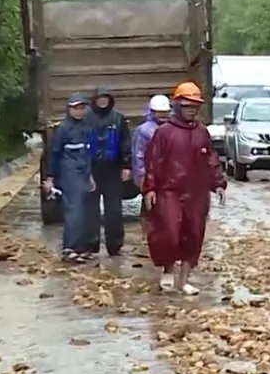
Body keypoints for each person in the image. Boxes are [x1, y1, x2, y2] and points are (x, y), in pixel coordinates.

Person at [142, 82, 226, 294]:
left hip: (196, 192)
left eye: (194, 106)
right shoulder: (164, 132)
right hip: (169, 190)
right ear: (177, 105)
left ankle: (185, 279)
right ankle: (168, 269)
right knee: (170, 232)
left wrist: (218, 183)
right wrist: (150, 188)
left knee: (194, 234)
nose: (191, 110)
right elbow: (153, 162)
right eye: (187, 105)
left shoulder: (202, 132)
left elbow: (211, 159)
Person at [42, 93, 97, 263]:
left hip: (83, 173)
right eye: (75, 108)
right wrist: (50, 177)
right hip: (69, 173)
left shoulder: (87, 127)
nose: (79, 111)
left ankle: (82, 248)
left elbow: (89, 153)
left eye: (81, 108)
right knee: (74, 210)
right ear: (69, 109)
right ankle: (69, 248)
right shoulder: (64, 128)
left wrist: (90, 176)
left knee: (86, 211)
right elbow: (54, 153)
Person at [88, 87, 132, 257]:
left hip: (112, 170)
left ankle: (115, 245)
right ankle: (91, 244)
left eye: (106, 98)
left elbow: (125, 143)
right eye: (100, 98)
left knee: (114, 210)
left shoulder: (118, 118)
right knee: (91, 210)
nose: (103, 101)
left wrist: (127, 166)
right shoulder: (86, 118)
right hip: (91, 170)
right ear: (94, 100)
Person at [131, 94, 172, 238]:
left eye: (165, 112)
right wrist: (141, 175)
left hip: (170, 175)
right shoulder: (144, 130)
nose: (162, 115)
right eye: (159, 112)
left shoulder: (172, 128)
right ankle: (146, 236)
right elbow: (138, 155)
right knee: (149, 205)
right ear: (152, 112)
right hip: (151, 174)